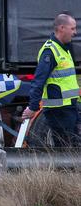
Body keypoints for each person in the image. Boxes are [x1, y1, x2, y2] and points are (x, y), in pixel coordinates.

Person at [22, 13, 79, 146]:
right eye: (73, 29)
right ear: (61, 28)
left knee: (73, 143)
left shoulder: (64, 49)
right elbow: (38, 81)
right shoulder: (50, 51)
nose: (75, 32)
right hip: (58, 110)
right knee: (64, 145)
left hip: (69, 107)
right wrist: (33, 107)